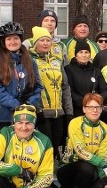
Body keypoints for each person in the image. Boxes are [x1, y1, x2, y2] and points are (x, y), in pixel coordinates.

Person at [58, 93, 107, 188]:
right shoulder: (75, 123)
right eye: (90, 107)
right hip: (68, 170)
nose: (94, 110)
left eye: (97, 107)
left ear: (101, 109)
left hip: (90, 169)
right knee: (86, 167)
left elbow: (103, 157)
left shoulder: (106, 129)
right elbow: (80, 151)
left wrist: (104, 178)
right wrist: (102, 164)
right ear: (84, 109)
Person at [0, 22, 42, 133]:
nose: (13, 42)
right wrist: (16, 105)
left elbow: (38, 86)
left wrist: (29, 104)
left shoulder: (30, 61)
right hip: (3, 116)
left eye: (16, 38)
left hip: (25, 117)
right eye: (9, 39)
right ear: (4, 42)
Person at [29, 26, 74, 157]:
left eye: (48, 40)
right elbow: (30, 86)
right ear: (35, 42)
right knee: (44, 150)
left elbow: (65, 86)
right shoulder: (31, 60)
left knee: (56, 148)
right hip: (42, 113)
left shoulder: (56, 61)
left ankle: (54, 174)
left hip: (58, 113)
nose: (45, 43)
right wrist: (37, 109)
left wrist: (69, 112)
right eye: (42, 40)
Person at [65, 39, 101, 120]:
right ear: (76, 55)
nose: (84, 55)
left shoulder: (96, 71)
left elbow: (104, 89)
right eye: (81, 52)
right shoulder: (68, 69)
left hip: (94, 110)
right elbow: (69, 90)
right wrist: (85, 103)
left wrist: (96, 101)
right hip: (76, 110)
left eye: (86, 52)